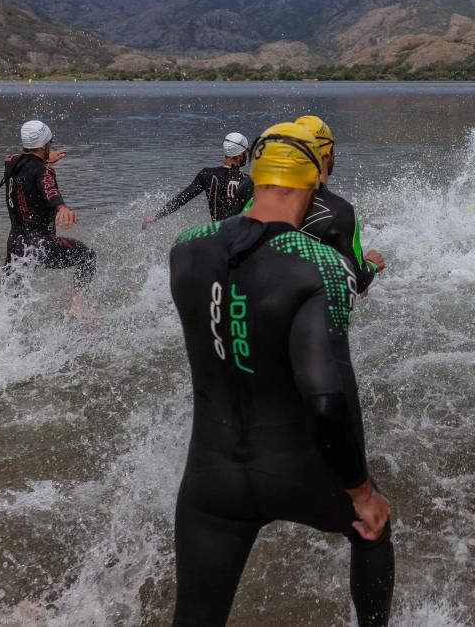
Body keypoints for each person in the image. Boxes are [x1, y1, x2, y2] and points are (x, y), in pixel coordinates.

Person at [169, 122, 395, 627]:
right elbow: (325, 395)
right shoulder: (318, 265)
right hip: (299, 471)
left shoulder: (187, 247)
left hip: (210, 480)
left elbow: (232, 328)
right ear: (316, 179)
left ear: (253, 173)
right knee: (373, 529)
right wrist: (361, 492)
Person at [0, 120, 95, 317]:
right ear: (43, 145)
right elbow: (47, 187)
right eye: (50, 141)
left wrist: (46, 158)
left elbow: (29, 166)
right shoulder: (43, 171)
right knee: (87, 256)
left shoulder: (12, 162)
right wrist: (62, 207)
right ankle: (77, 308)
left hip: (15, 243)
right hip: (39, 243)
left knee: (9, 304)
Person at [292, 114, 385, 294]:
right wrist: (372, 264)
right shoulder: (339, 212)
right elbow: (358, 282)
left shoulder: (261, 197)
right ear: (330, 151)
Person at [141, 133, 252, 229]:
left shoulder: (207, 174)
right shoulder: (246, 180)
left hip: (217, 233)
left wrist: (157, 216)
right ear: (238, 154)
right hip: (239, 234)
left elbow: (183, 197)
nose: (246, 156)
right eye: (245, 152)